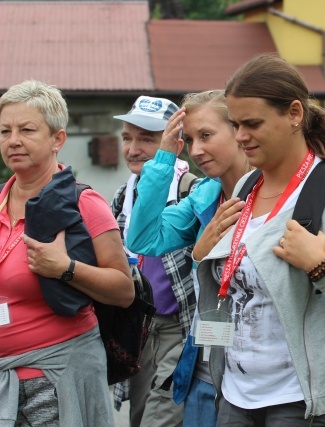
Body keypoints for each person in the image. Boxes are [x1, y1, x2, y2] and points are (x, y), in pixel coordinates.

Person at [195, 53, 325, 426]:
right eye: (236, 124)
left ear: (294, 114)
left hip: (307, 404)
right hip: (235, 397)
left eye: (252, 124)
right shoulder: (246, 185)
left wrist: (322, 269)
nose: (241, 136)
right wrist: (203, 256)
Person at [0, 80, 134, 426]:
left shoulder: (84, 202)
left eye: (26, 130)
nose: (13, 140)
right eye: (4, 131)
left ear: (57, 140)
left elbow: (123, 290)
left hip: (56, 375)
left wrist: (64, 268)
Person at [125, 90, 251, 426]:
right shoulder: (204, 196)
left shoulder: (271, 193)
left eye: (206, 136)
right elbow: (142, 238)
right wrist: (164, 157)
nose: (196, 150)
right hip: (208, 360)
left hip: (263, 370)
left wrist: (202, 255)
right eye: (189, 139)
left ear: (239, 131)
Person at [112, 96, 197, 426]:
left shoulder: (191, 190)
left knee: (161, 417)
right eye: (127, 138)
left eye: (147, 139)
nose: (133, 149)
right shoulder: (123, 194)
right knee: (139, 416)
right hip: (140, 326)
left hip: (181, 326)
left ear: (174, 142)